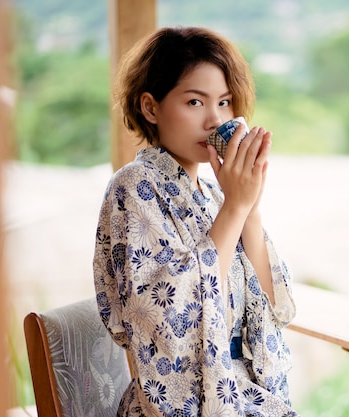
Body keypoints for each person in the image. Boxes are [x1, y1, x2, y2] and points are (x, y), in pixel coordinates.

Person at [93, 26, 298, 417]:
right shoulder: (133, 187)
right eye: (194, 102)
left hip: (240, 395)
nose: (214, 120)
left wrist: (248, 206)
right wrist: (235, 209)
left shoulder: (216, 195)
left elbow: (273, 308)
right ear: (151, 107)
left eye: (224, 103)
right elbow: (169, 321)